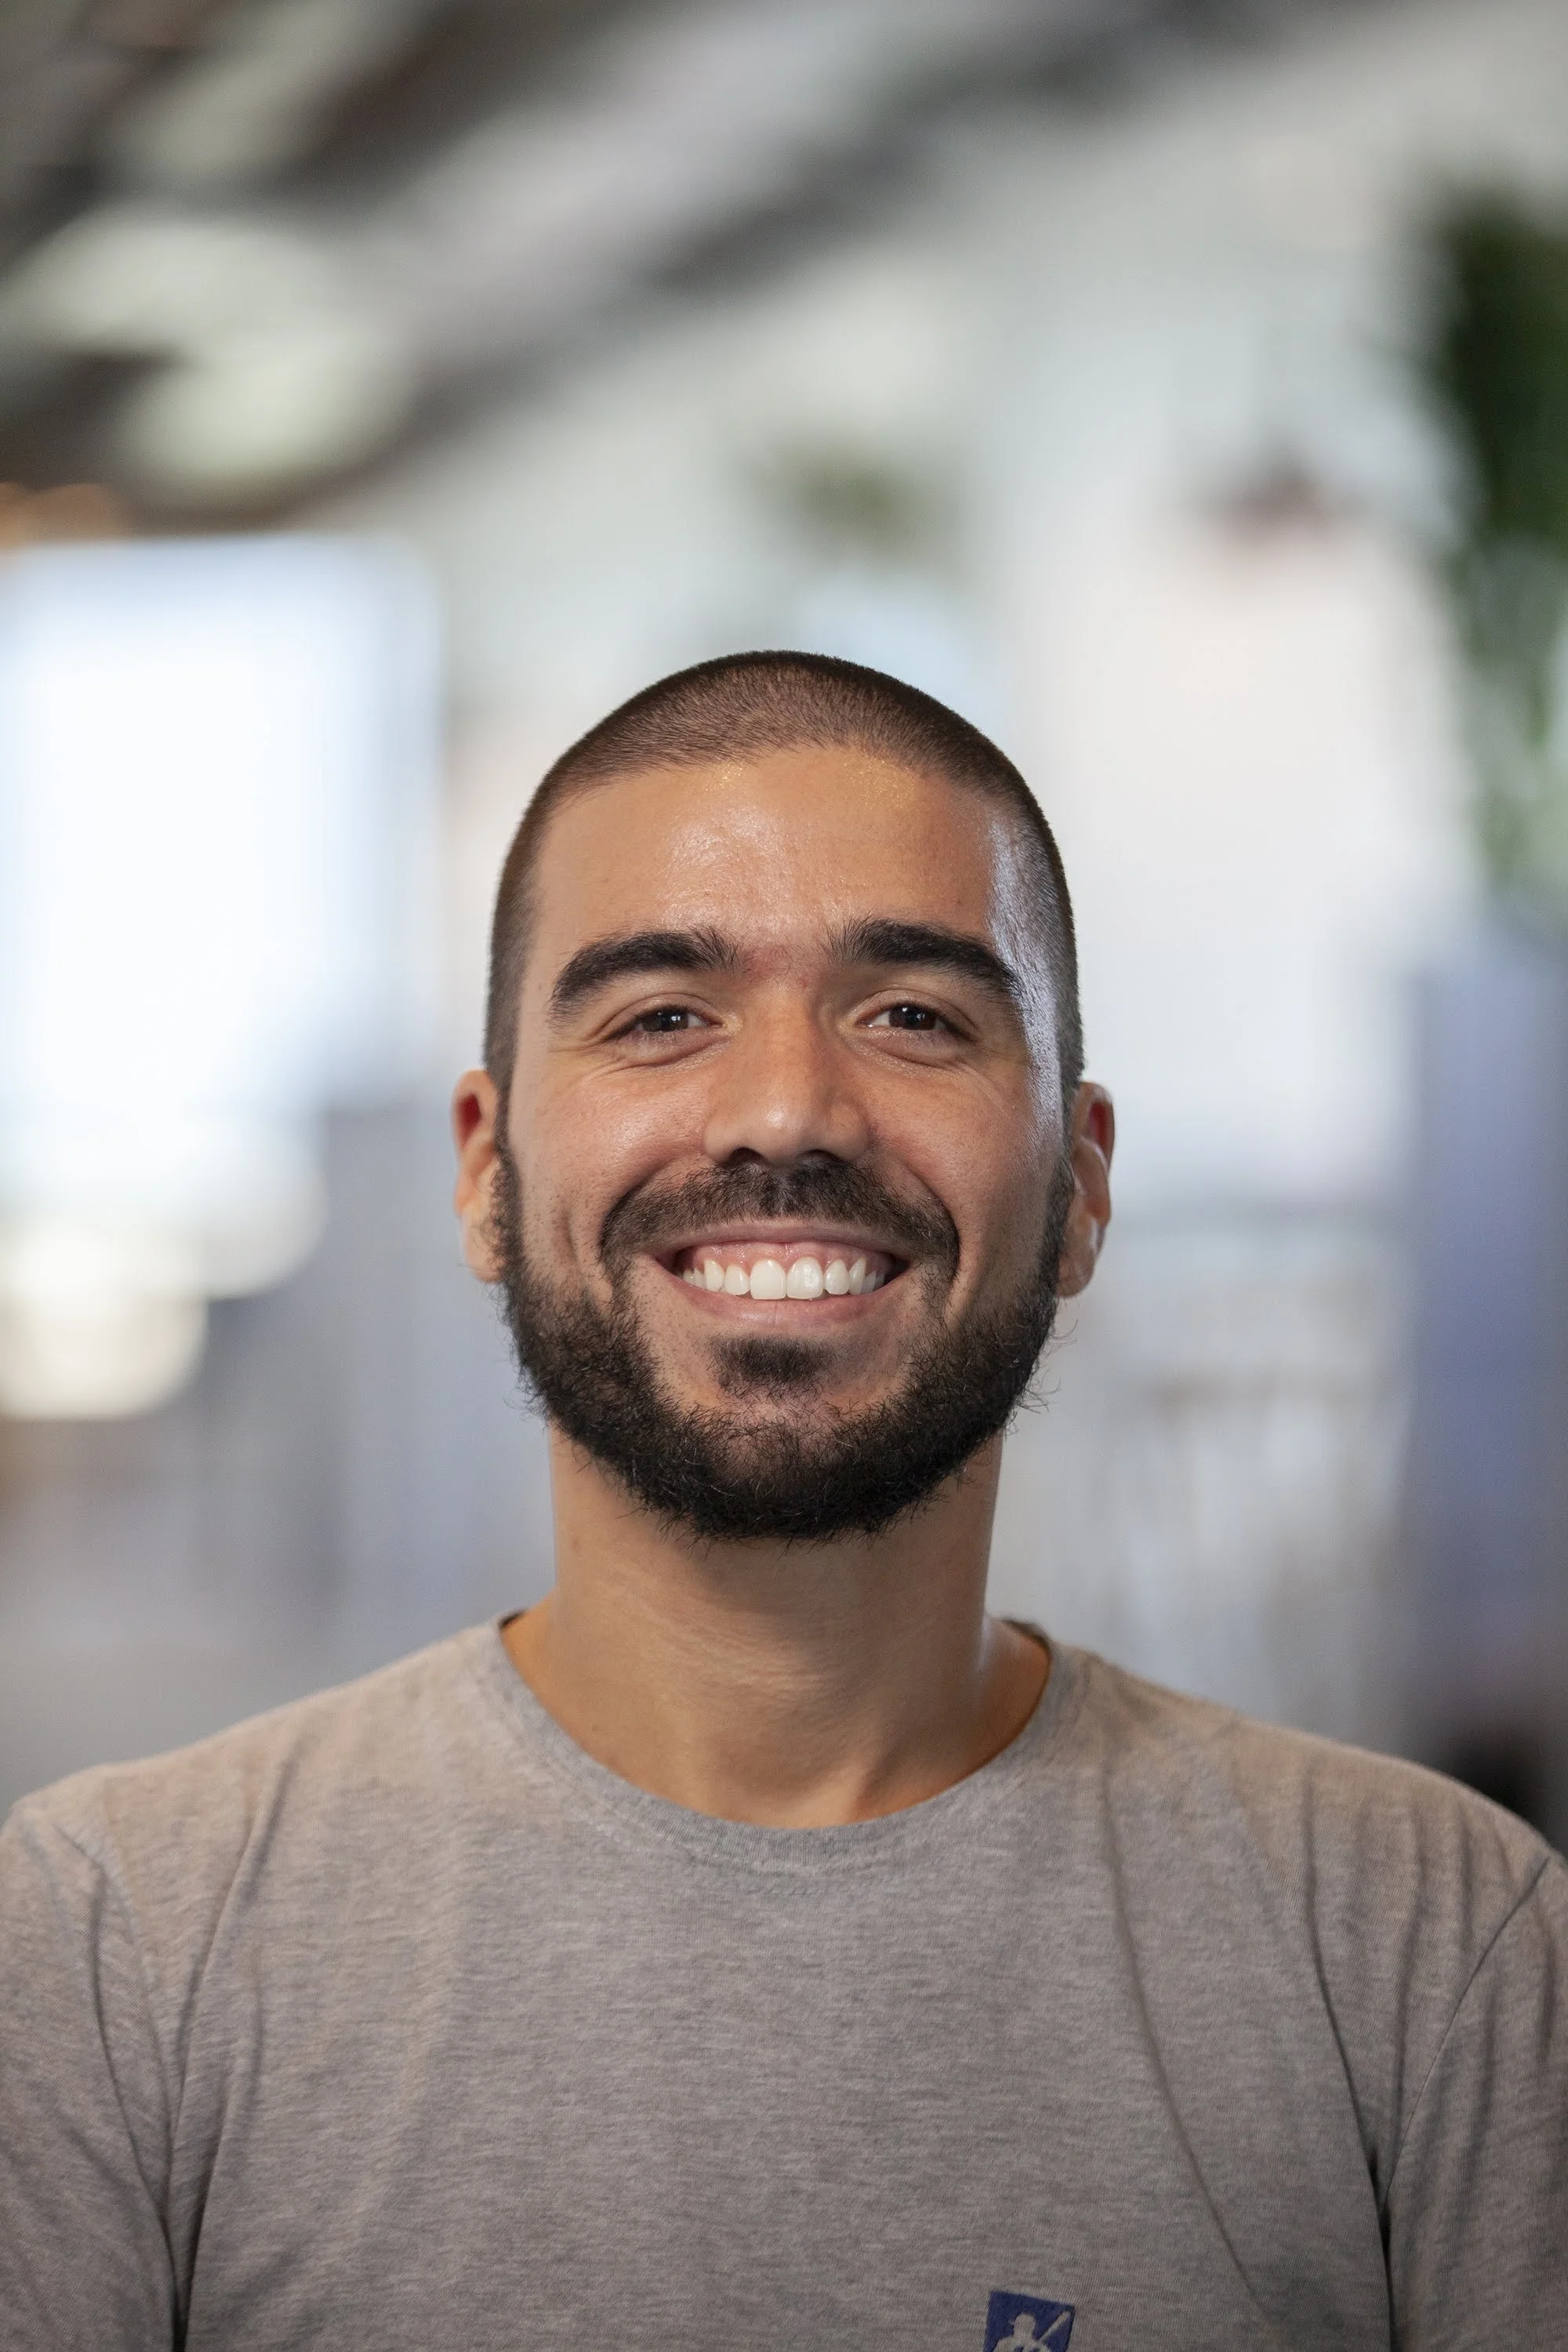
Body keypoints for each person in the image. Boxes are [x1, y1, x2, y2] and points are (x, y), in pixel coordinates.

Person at [1, 652, 1563, 2351]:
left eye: (915, 1017)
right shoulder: (114, 1943)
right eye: (662, 1018)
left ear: (1081, 1181)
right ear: (486, 1168)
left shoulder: (1431, 1948)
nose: (786, 1111)